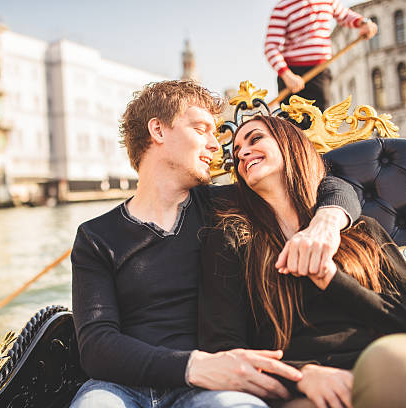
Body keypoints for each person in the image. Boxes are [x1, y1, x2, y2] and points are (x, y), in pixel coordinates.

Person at [70, 80, 362, 408]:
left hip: (215, 387)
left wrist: (328, 221)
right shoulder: (96, 237)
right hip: (121, 387)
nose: (215, 144)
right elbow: (96, 345)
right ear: (158, 130)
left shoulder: (227, 204)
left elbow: (328, 183)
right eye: (201, 129)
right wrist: (194, 366)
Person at [199, 115, 406, 408]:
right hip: (303, 388)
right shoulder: (233, 238)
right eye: (236, 151)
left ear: (291, 145)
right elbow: (224, 348)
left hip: (384, 363)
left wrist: (333, 279)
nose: (242, 153)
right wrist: (302, 376)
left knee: (404, 370)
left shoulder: (361, 230)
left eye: (255, 139)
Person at [265, 0, 378, 111]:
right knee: (290, 125)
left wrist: (364, 22)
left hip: (320, 72)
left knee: (320, 120)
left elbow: (344, 16)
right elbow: (271, 47)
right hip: (291, 75)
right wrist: (287, 75)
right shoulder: (282, 7)